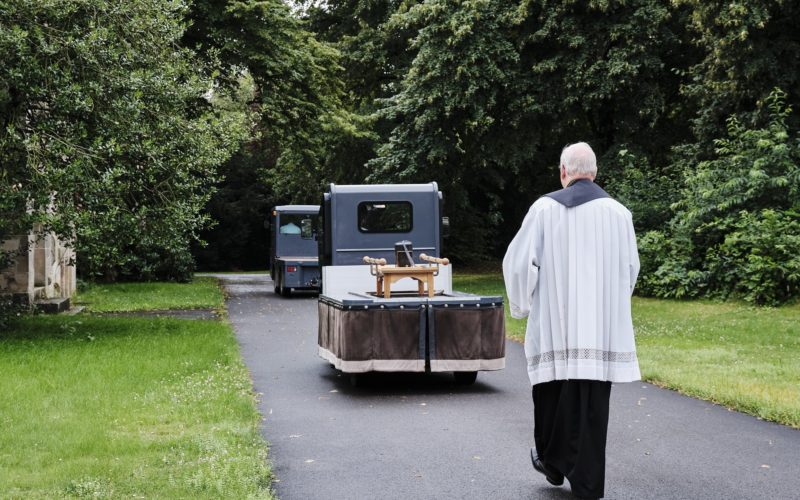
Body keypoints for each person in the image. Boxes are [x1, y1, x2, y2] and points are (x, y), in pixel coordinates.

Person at [503, 142, 641, 499]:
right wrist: (612, 305)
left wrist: (521, 305)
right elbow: (630, 270)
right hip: (599, 328)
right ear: (594, 173)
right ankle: (587, 483)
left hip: (556, 325)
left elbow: (519, 263)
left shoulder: (544, 209)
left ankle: (551, 462)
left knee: (551, 395)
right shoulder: (619, 214)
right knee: (593, 407)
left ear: (563, 172)